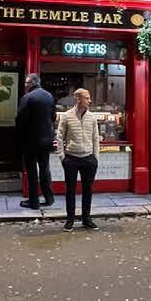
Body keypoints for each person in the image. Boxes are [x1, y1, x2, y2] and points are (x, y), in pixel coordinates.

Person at [57, 86, 100, 231]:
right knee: (70, 191)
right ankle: (70, 220)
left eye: (89, 98)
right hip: (71, 158)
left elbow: (95, 138)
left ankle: (86, 219)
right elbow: (59, 137)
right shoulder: (66, 116)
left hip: (88, 158)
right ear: (77, 99)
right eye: (87, 98)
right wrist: (62, 157)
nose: (89, 101)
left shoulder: (92, 117)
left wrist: (96, 158)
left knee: (88, 190)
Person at [15, 73, 56, 211]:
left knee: (32, 171)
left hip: (30, 140)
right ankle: (49, 198)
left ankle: (34, 201)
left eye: (26, 83)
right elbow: (53, 116)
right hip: (47, 139)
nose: (25, 85)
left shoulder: (27, 98)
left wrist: (19, 136)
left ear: (32, 83)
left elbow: (20, 119)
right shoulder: (49, 96)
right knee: (45, 169)